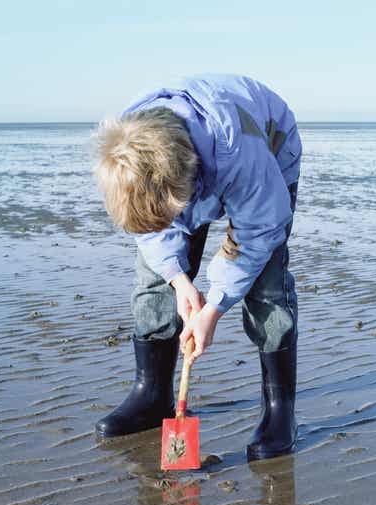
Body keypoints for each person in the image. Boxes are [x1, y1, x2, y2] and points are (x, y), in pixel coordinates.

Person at [91, 74, 301, 460]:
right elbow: (153, 233)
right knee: (152, 278)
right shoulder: (127, 150)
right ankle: (152, 395)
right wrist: (179, 281)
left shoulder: (241, 152)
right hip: (191, 166)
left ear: (189, 185)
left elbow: (256, 235)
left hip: (268, 144)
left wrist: (214, 308)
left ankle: (279, 411)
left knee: (265, 284)